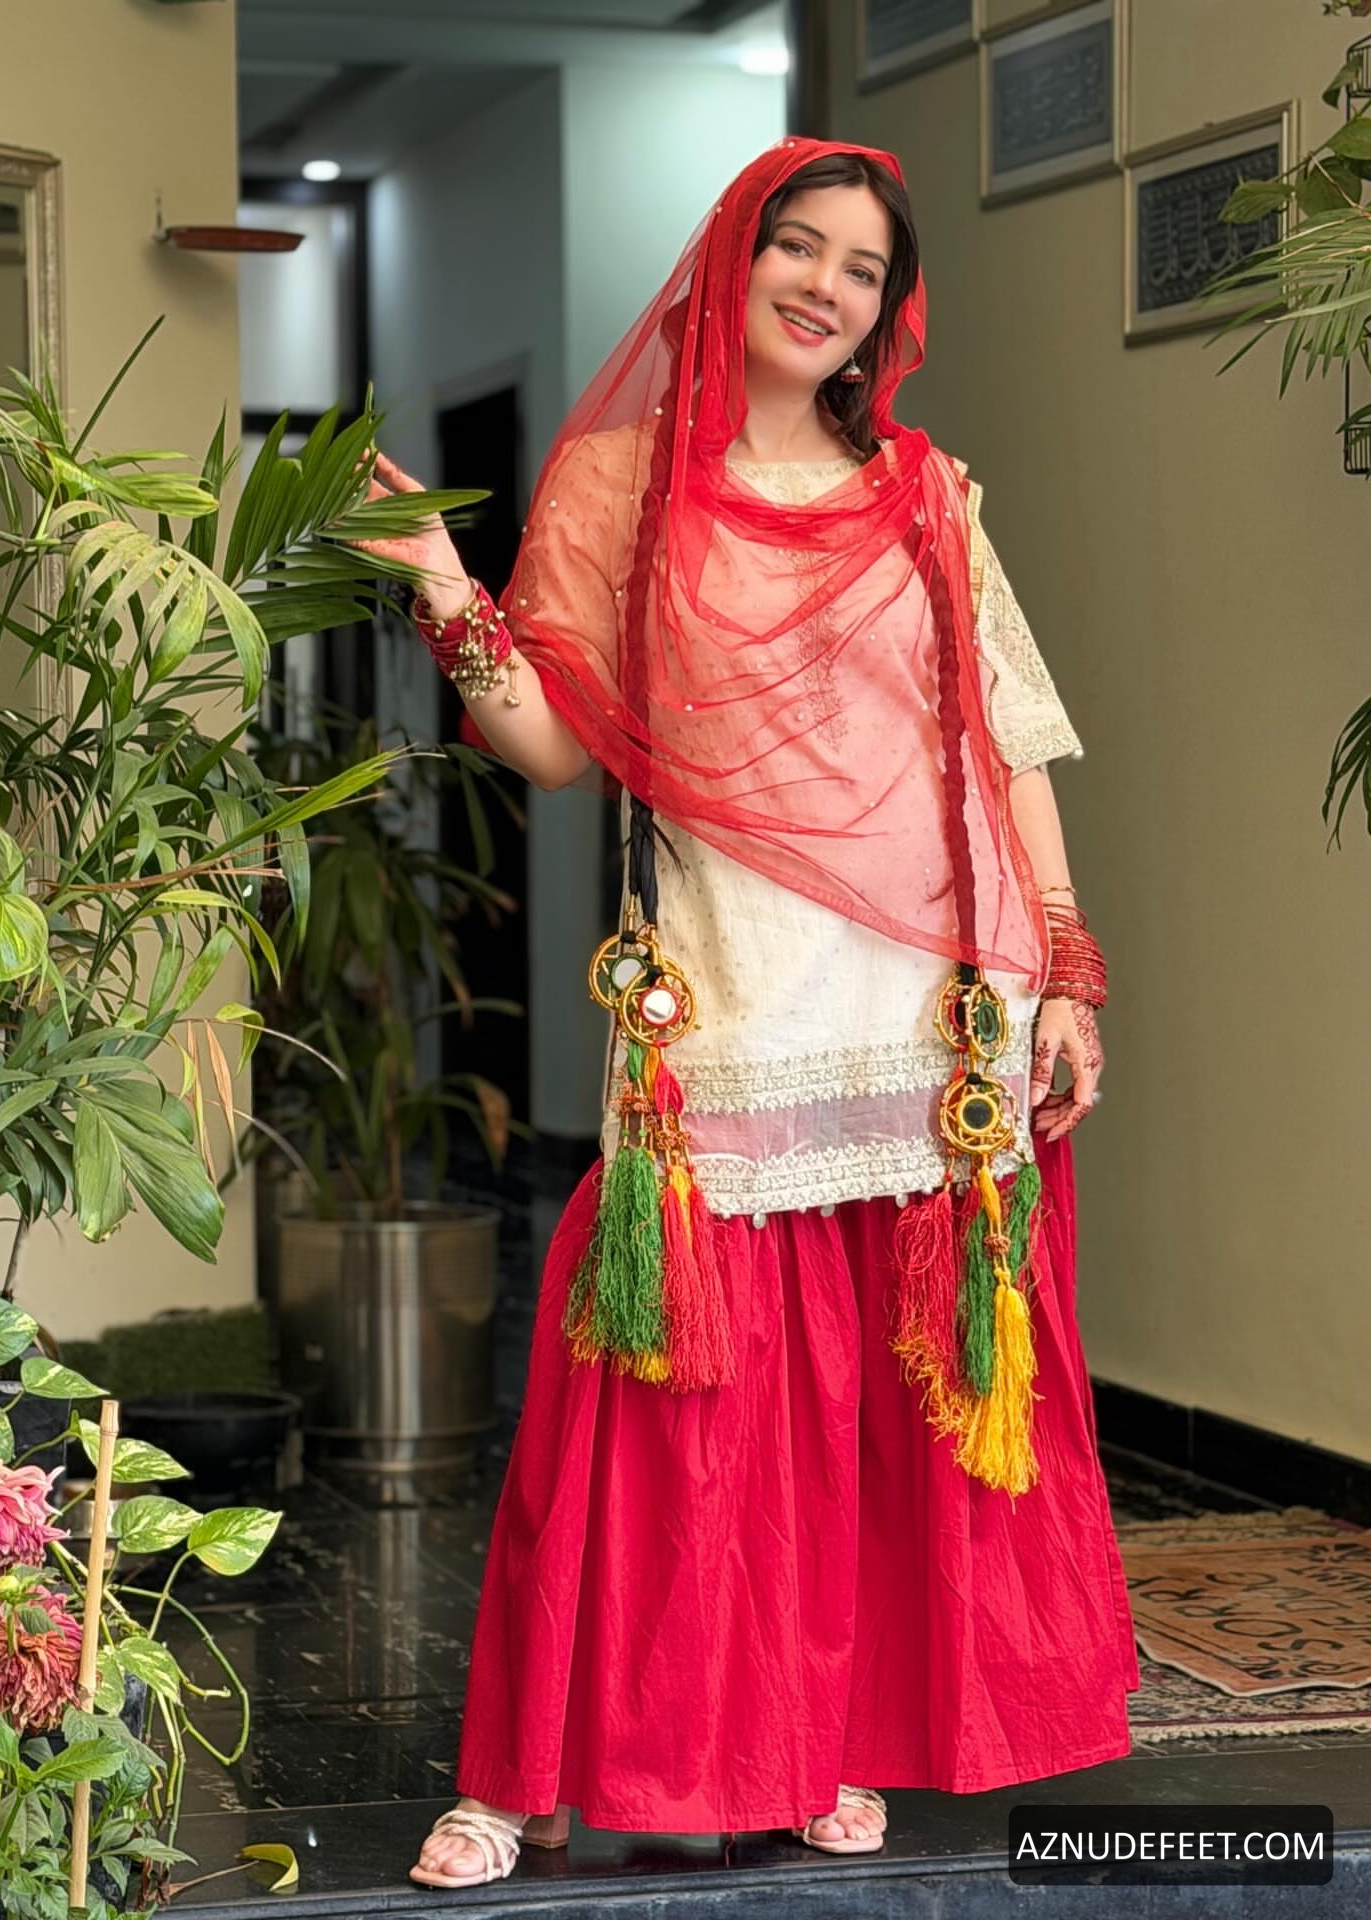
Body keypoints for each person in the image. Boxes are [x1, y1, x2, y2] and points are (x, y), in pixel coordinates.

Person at [359, 138, 1136, 1893]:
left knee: (862, 1410)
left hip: (926, 1001)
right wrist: (441, 579)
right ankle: (522, 1776)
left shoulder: (928, 495)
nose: (826, 288)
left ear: (889, 310)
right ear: (735, 256)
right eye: (800, 246)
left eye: (864, 269)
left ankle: (820, 1740)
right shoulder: (621, 484)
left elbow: (1005, 737)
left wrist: (1068, 965)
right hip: (723, 995)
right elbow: (556, 748)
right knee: (641, 1409)